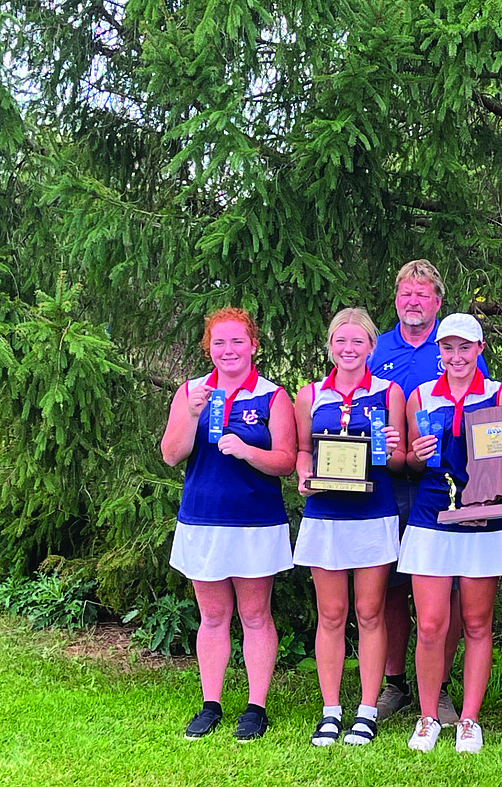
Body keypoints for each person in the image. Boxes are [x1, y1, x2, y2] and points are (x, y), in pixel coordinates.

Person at [160, 307, 296, 742]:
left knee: (255, 614)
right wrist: (192, 414)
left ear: (254, 345)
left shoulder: (274, 396)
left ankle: (256, 708)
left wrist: (247, 452)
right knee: (213, 615)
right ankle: (210, 704)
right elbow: (171, 454)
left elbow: (287, 462)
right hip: (203, 518)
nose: (228, 350)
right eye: (219, 342)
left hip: (256, 520)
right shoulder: (190, 392)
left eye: (238, 341)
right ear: (208, 348)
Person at [368, 260, 488, 725]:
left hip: (450, 486)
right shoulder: (377, 349)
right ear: (396, 299)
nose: (412, 302)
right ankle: (396, 683)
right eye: (405, 294)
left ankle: (438, 687)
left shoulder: (456, 347)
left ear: (438, 301)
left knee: (454, 590)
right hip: (392, 480)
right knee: (394, 588)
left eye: (422, 294)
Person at [397, 313, 502, 754]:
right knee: (430, 625)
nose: (456, 356)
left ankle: (469, 719)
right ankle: (428, 716)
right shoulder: (421, 396)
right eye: (447, 348)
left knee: (475, 622)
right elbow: (411, 463)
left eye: (465, 347)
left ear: (480, 349)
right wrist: (414, 453)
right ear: (438, 352)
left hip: (483, 520)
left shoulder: (498, 393)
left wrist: (488, 486)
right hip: (432, 517)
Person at [292, 308, 406, 747]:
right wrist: (303, 475)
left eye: (358, 342)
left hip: (372, 513)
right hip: (325, 515)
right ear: (330, 347)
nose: (349, 349)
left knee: (370, 612)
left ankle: (366, 710)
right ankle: (330, 709)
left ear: (371, 348)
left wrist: (393, 449)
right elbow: (303, 451)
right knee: (331, 614)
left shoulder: (388, 392)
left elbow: (396, 462)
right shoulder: (311, 395)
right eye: (341, 342)